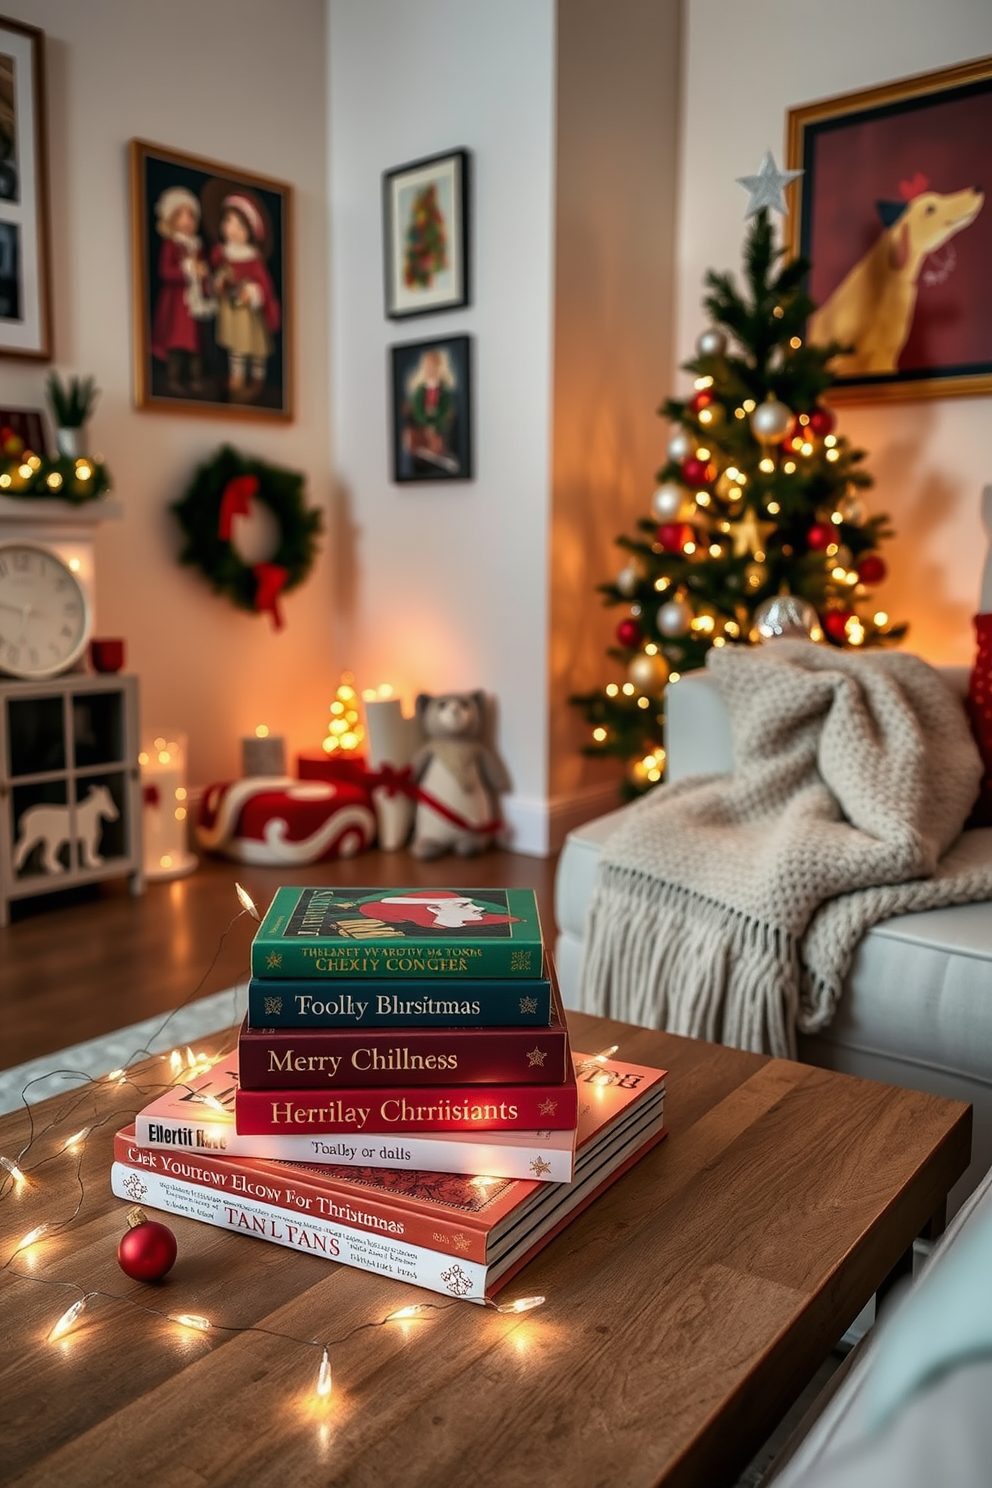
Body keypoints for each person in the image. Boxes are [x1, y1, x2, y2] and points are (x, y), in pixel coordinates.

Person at [210, 192, 281, 401]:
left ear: (250, 231)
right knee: (235, 346)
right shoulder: (222, 254)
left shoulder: (253, 259)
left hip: (249, 316)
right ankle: (237, 377)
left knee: (255, 347)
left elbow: (264, 287)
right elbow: (218, 277)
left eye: (239, 225)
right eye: (228, 222)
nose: (232, 229)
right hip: (232, 312)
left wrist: (250, 292)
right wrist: (220, 283)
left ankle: (257, 379)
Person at [150, 186, 215, 395]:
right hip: (176, 304)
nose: (187, 220)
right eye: (181, 215)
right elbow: (166, 271)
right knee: (177, 342)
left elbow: (204, 272)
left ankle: (196, 378)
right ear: (171, 219)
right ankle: (174, 378)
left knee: (195, 343)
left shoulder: (197, 247)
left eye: (191, 215)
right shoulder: (171, 245)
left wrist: (204, 274)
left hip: (194, 304)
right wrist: (188, 270)